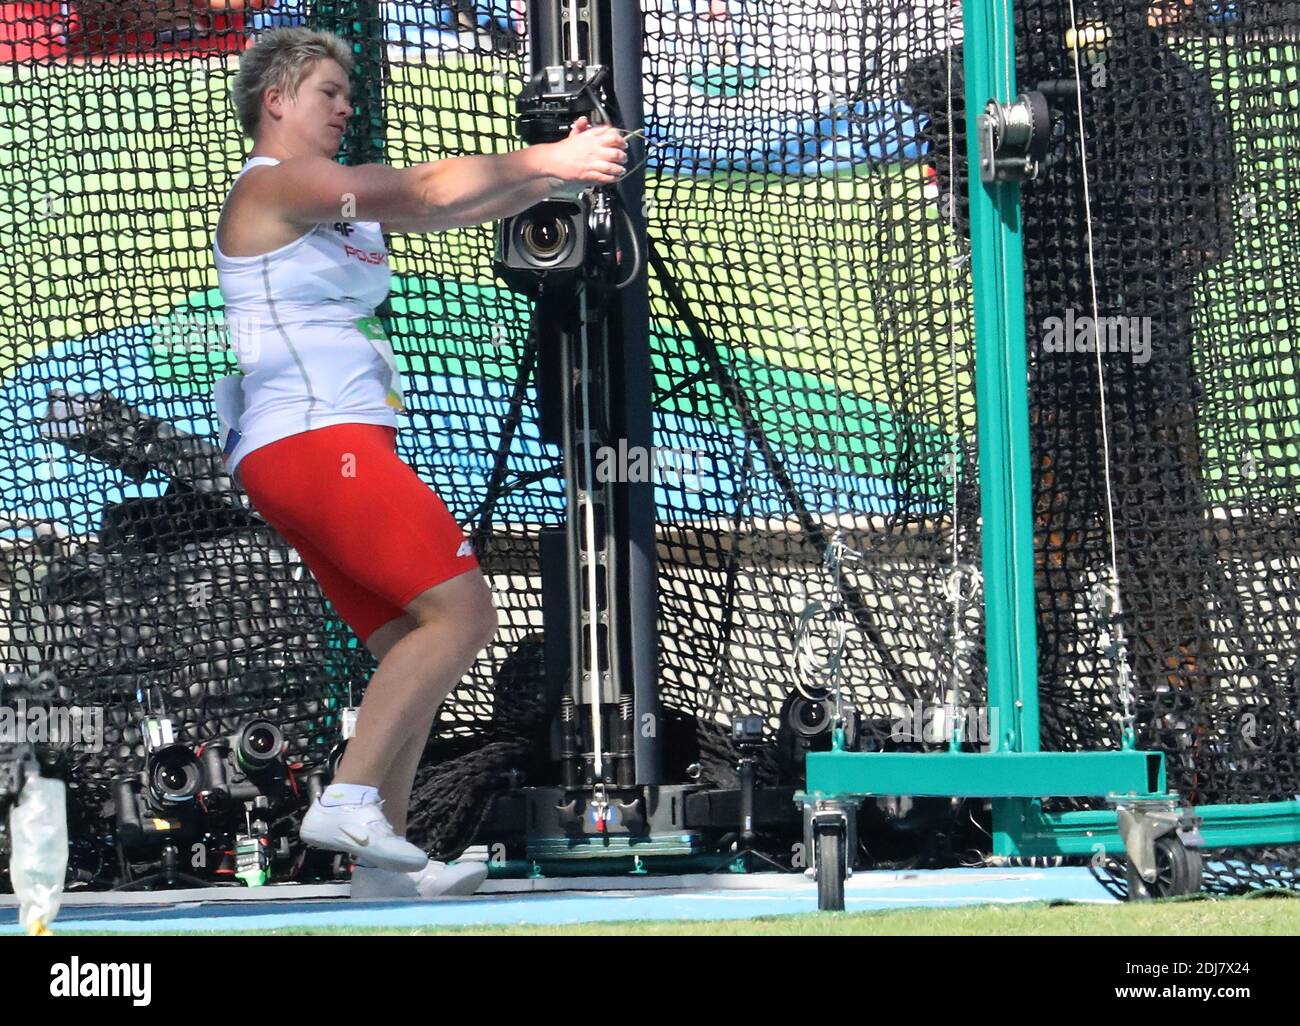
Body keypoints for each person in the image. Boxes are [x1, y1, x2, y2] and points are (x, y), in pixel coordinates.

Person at [214, 26, 628, 897]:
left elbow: (445, 207)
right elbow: (423, 187)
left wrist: (558, 177)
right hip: (318, 440)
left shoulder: (325, 204)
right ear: (276, 99)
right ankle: (350, 798)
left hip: (309, 447)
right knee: (465, 615)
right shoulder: (280, 182)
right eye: (328, 91)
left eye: (347, 94)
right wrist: (551, 154)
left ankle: (383, 864)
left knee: (412, 638)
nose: (344, 107)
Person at [899, 0, 1245, 800]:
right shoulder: (994, 83)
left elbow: (1206, 230)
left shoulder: (1169, 92)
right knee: (1043, 564)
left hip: (1149, 370)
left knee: (1161, 564)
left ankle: (1181, 740)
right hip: (1049, 377)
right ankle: (1030, 731)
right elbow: (950, 150)